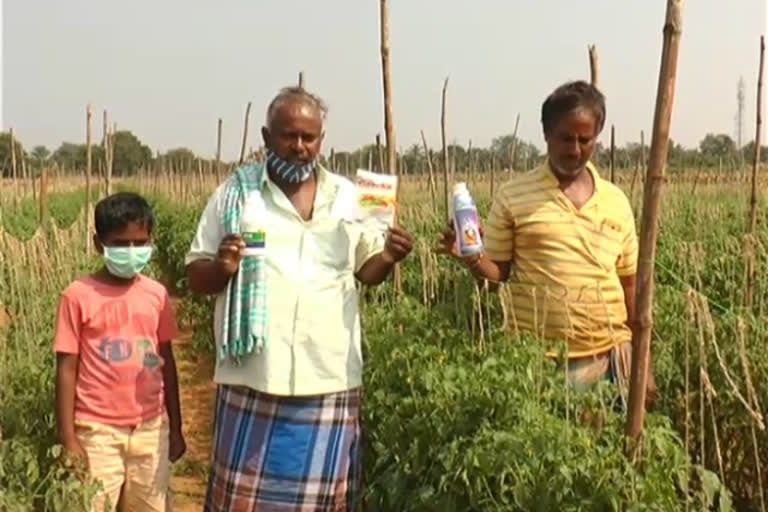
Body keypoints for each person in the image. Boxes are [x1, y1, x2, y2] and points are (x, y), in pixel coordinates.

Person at [186, 86, 414, 511]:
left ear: (321, 139)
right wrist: (220, 269)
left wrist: (388, 256)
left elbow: (368, 271)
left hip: (328, 377)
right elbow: (196, 274)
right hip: (253, 375)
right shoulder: (237, 196)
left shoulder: (349, 196)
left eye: (309, 137)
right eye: (289, 136)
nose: (299, 147)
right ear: (266, 136)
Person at [439, 80, 656, 408]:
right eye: (565, 138)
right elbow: (497, 274)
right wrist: (471, 257)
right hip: (541, 363)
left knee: (610, 455)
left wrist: (643, 364)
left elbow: (630, 287)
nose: (575, 149)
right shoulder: (514, 196)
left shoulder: (616, 201)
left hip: (612, 360)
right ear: (546, 135)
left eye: (586, 140)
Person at [54, 192, 186, 512]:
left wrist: (177, 427)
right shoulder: (77, 296)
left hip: (151, 429)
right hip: (96, 431)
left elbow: (166, 362)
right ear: (99, 244)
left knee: (150, 505)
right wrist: (68, 437)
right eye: (121, 244)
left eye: (140, 243)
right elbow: (66, 368)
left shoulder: (156, 295)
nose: (131, 251)